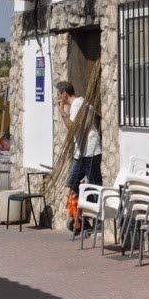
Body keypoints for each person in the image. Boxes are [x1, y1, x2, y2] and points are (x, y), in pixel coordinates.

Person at [55, 81, 102, 234]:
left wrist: (62, 112)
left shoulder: (76, 105)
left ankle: (99, 220)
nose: (58, 98)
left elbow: (73, 128)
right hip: (81, 153)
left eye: (59, 95)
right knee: (73, 182)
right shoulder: (82, 103)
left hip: (90, 151)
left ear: (64, 94)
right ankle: (81, 219)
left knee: (94, 185)